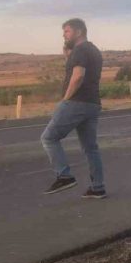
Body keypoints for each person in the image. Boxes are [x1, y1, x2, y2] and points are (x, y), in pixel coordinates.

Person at [41, 18, 107, 199]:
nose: (64, 35)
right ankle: (98, 187)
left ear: (78, 32)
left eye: (67, 31)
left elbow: (78, 76)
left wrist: (65, 100)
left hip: (77, 102)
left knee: (48, 138)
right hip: (93, 103)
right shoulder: (93, 50)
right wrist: (68, 57)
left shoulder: (80, 50)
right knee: (90, 148)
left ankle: (64, 175)